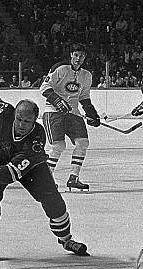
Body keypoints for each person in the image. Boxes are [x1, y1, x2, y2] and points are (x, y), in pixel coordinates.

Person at [0, 94, 89, 258]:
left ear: (34, 121)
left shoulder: (36, 139)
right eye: (18, 119)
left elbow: (10, 174)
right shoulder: (3, 112)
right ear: (14, 114)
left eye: (27, 122)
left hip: (30, 167)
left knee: (53, 200)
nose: (21, 125)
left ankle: (66, 239)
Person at [39, 43, 102, 191]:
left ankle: (74, 177)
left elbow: (84, 97)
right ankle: (46, 179)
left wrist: (92, 114)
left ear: (84, 57)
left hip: (73, 112)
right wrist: (58, 101)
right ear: (71, 55)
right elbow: (44, 88)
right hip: (53, 112)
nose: (78, 59)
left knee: (83, 143)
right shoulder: (60, 69)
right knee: (58, 146)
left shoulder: (86, 75)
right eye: (76, 55)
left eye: (81, 56)